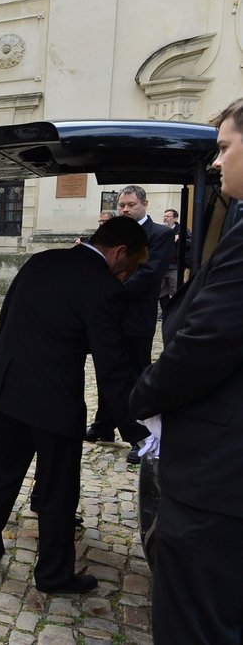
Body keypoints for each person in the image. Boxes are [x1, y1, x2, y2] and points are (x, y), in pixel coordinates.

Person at [0, 216, 147, 595]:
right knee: (57, 490)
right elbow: (111, 368)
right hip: (54, 400)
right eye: (129, 268)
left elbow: (7, 321)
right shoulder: (104, 287)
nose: (126, 276)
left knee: (1, 473)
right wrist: (137, 434)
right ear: (118, 252)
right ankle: (53, 574)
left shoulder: (41, 260)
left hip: (8, 386)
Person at [128, 97, 243, 644]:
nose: (216, 163)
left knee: (195, 619)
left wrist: (143, 393)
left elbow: (208, 341)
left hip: (218, 478)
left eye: (223, 148)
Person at [85, 185, 174, 464]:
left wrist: (109, 292)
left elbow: (149, 274)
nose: (125, 209)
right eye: (122, 205)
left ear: (144, 204)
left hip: (136, 316)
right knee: (107, 369)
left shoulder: (160, 234)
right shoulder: (112, 234)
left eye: (131, 205)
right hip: (109, 316)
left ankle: (142, 435)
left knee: (135, 373)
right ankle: (103, 425)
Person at [158, 208, 190, 316]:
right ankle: (165, 312)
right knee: (161, 291)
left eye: (168, 216)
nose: (165, 218)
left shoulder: (182, 230)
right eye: (165, 216)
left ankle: (181, 312)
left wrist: (180, 239)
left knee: (178, 289)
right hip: (162, 266)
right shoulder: (161, 230)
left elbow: (190, 243)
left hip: (175, 266)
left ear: (175, 218)